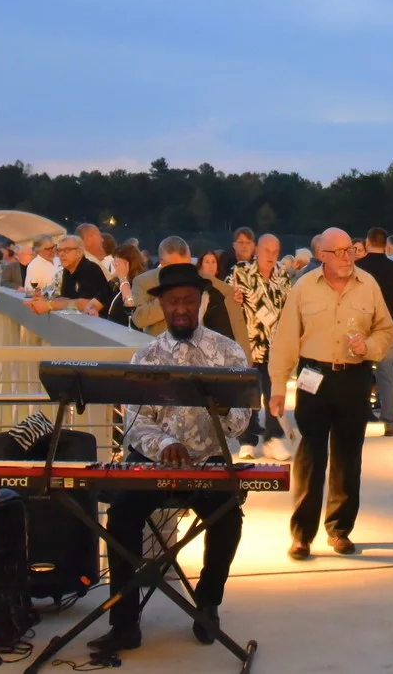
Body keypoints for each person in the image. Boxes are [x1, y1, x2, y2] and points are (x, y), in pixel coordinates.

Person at [86, 264, 253, 659]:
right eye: (173, 301)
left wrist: (226, 409)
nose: (181, 308)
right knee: (122, 518)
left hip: (208, 463)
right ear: (161, 304)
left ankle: (207, 604)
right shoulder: (146, 355)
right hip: (154, 463)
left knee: (228, 517)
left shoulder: (228, 352)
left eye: (189, 301)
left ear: (200, 302)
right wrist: (163, 446)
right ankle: (124, 623)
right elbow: (135, 422)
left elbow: (241, 423)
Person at [267, 227, 393, 560]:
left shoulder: (368, 286)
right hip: (314, 378)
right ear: (321, 256)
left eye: (350, 249)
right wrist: (278, 387)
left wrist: (369, 346)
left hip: (354, 378)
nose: (347, 257)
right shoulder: (304, 287)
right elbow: (285, 340)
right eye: (338, 252)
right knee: (310, 456)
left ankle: (339, 530)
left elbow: (386, 330)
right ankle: (302, 535)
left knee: (348, 457)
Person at [229, 234, 293, 461]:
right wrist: (234, 298)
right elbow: (228, 301)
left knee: (274, 393)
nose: (271, 256)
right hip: (249, 344)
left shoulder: (283, 276)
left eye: (275, 251)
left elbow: (289, 310)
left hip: (275, 346)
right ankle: (246, 441)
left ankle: (273, 438)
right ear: (257, 250)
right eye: (267, 250)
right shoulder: (240, 272)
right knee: (247, 397)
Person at [358, 227, 393, 437]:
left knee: (359, 372)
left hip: (361, 326)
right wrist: (390, 300)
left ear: (367, 242)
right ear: (385, 244)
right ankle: (391, 422)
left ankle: (356, 417)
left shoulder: (358, 267)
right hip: (386, 325)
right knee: (387, 373)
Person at [26, 234, 115, 316]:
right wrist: (43, 301)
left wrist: (50, 305)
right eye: (59, 250)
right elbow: (65, 298)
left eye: (67, 250)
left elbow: (86, 304)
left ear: (79, 252)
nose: (61, 254)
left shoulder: (88, 268)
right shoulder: (68, 270)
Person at [105, 244, 148, 326]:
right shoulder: (115, 283)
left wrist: (123, 278)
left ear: (128, 264)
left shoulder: (140, 285)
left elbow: (131, 307)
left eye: (117, 264)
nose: (114, 267)